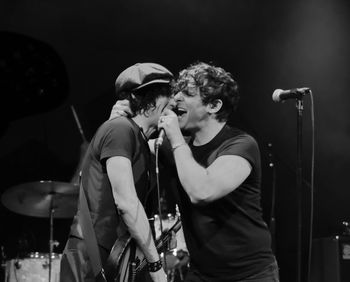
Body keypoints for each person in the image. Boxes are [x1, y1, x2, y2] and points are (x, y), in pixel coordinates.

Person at [111, 61, 279, 281]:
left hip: (250, 274)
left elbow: (202, 191)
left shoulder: (240, 145)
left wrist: (176, 139)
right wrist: (118, 125)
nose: (175, 99)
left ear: (214, 106)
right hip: (202, 273)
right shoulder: (173, 145)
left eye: (187, 94)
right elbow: (126, 154)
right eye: (176, 92)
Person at [60, 62, 174, 282]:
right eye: (167, 96)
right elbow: (127, 203)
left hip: (114, 254)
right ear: (151, 103)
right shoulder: (121, 129)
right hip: (92, 253)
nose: (172, 105)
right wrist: (155, 264)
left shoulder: (140, 140)